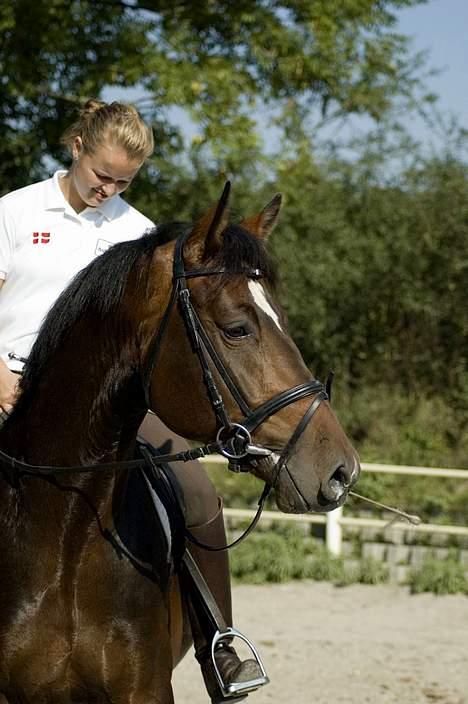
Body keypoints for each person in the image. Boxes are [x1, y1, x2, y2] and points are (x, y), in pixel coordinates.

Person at [0, 99, 264, 702]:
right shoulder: (13, 213)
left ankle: (220, 642)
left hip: (115, 404)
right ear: (76, 149)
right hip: (10, 392)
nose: (109, 189)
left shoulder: (137, 234)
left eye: (123, 181)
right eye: (102, 175)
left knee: (197, 491)